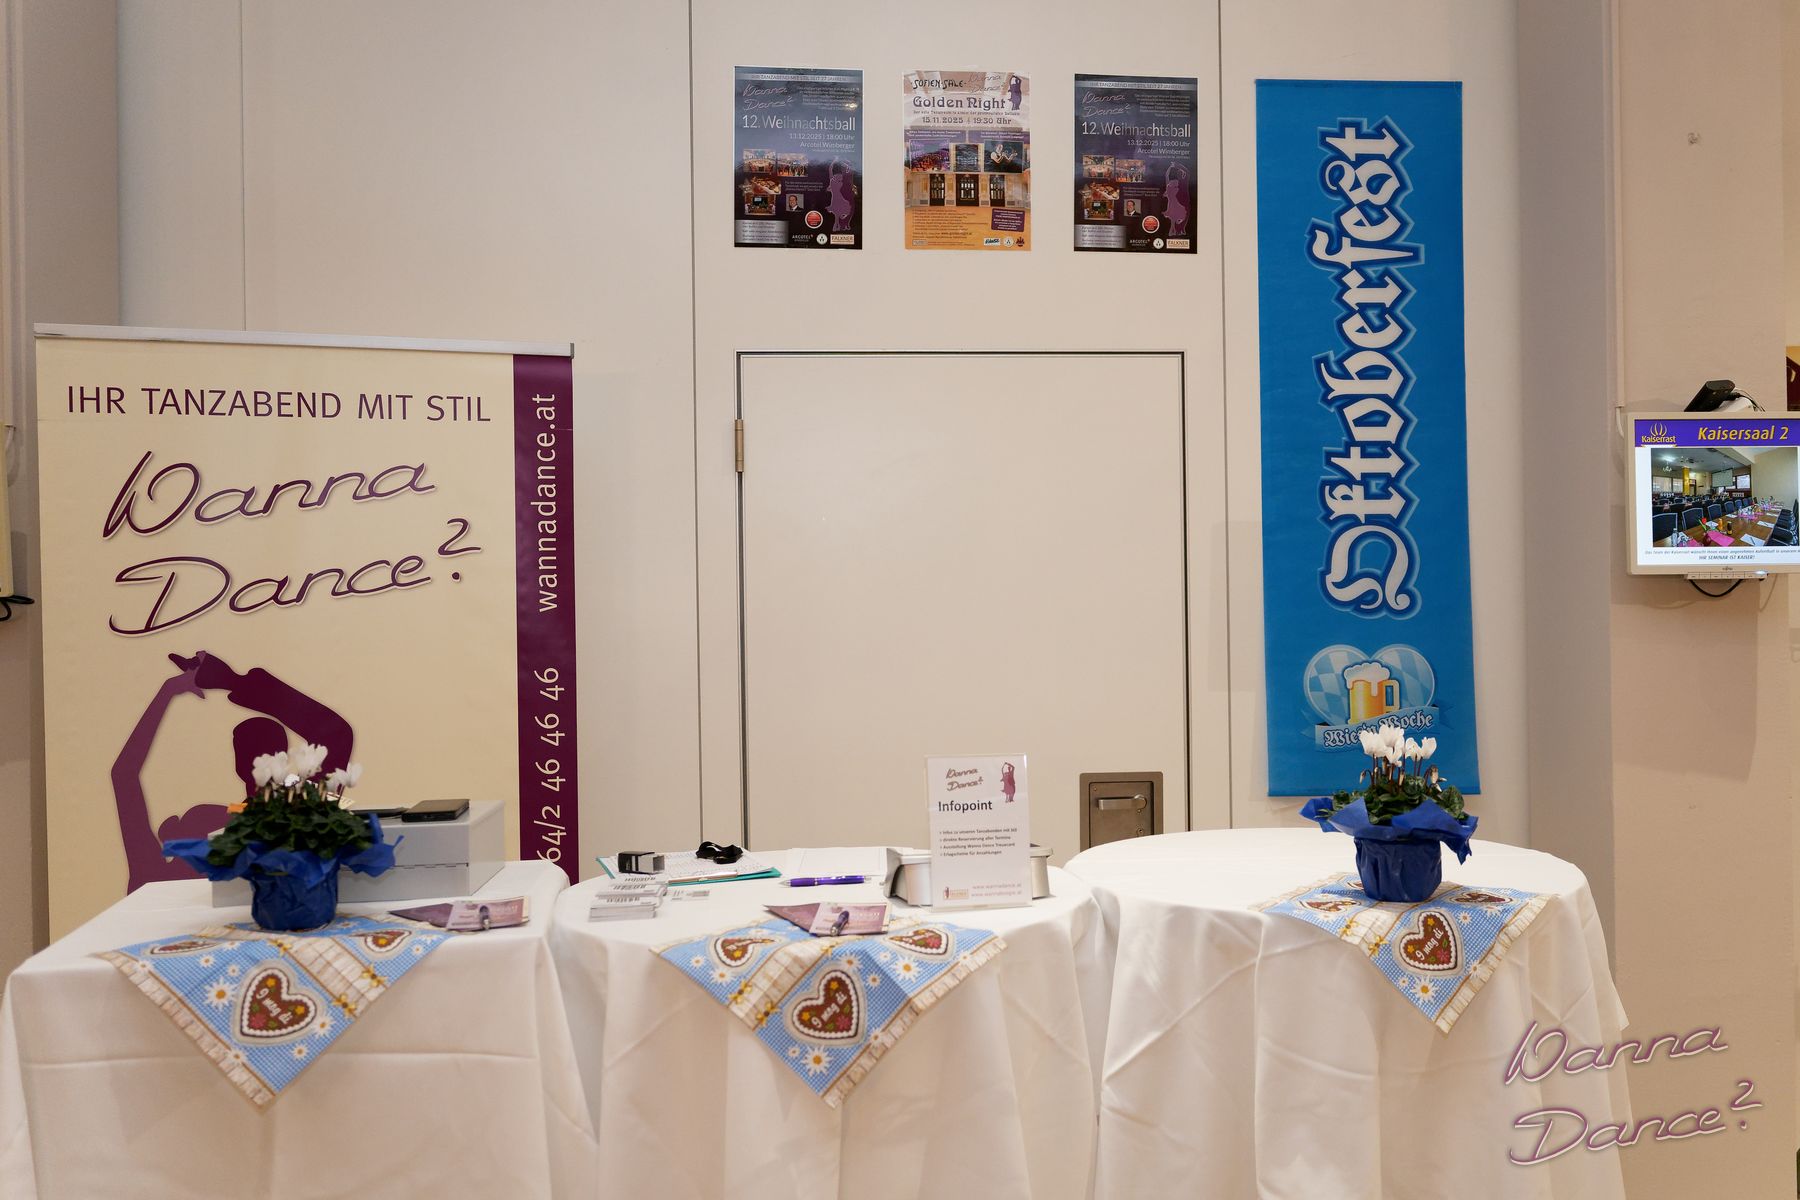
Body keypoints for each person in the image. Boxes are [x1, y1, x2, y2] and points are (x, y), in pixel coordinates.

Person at [112, 651, 354, 891]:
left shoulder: (154, 874)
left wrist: (169, 691)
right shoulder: (300, 818)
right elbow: (336, 735)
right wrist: (232, 681)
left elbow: (124, 775)